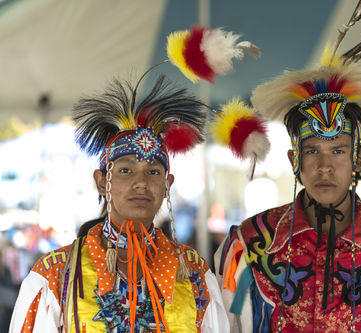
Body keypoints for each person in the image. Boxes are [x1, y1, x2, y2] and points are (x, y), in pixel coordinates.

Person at [215, 0, 361, 332]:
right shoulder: (249, 246)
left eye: (337, 151)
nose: (324, 166)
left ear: (357, 158)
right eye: (312, 151)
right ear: (294, 160)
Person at [9, 76, 229, 332]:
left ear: (167, 184)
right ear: (102, 182)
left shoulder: (194, 273)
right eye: (126, 170)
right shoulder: (57, 274)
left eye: (153, 172)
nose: (142, 183)